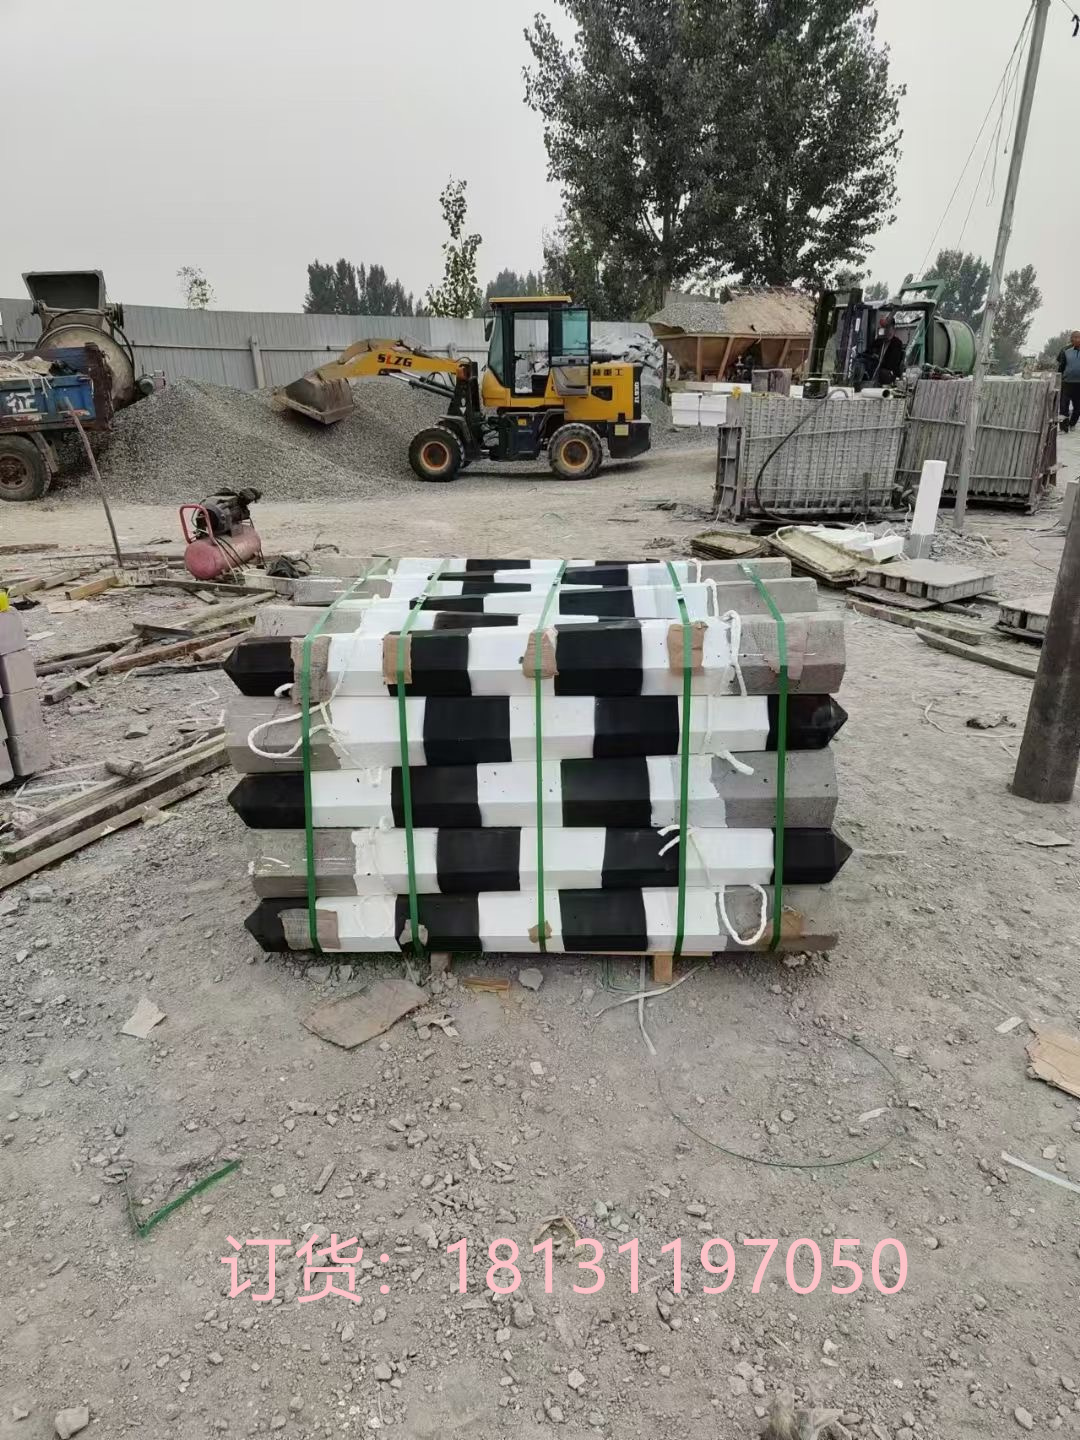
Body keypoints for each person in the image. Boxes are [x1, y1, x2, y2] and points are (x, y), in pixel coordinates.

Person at [1057, 331, 1080, 432]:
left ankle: (1072, 424)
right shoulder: (1065, 350)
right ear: (1071, 339)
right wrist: (1059, 378)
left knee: (1078, 407)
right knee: (1063, 406)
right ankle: (1063, 428)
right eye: (1075, 337)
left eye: (1079, 337)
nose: (1077, 339)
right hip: (1067, 383)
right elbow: (1061, 366)